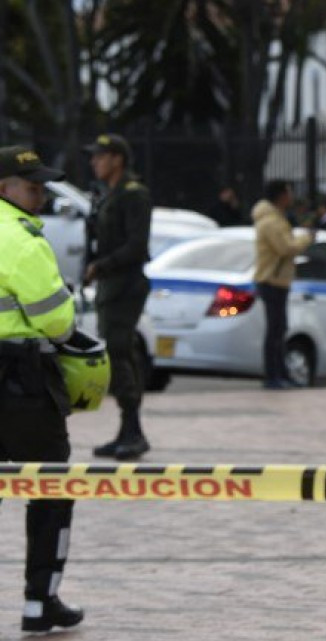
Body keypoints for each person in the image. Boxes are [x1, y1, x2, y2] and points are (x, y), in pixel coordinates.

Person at [0, 146, 85, 632]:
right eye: (31, 186)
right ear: (4, 189)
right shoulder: (22, 241)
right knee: (51, 487)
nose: (40, 194)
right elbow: (56, 320)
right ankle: (40, 602)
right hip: (21, 380)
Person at [85, 134, 153, 460]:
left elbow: (136, 245)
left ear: (117, 159)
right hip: (111, 286)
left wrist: (102, 265)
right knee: (116, 356)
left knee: (120, 354)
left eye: (100, 156)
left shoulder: (133, 194)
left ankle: (133, 430)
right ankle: (128, 429)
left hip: (125, 286)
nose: (94, 162)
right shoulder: (107, 195)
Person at [252, 180, 313, 389]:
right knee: (275, 330)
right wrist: (305, 238)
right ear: (280, 195)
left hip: (278, 280)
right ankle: (273, 376)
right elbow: (286, 247)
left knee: (279, 329)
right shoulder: (270, 221)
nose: (291, 196)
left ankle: (281, 374)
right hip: (271, 281)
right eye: (288, 192)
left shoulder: (275, 218)